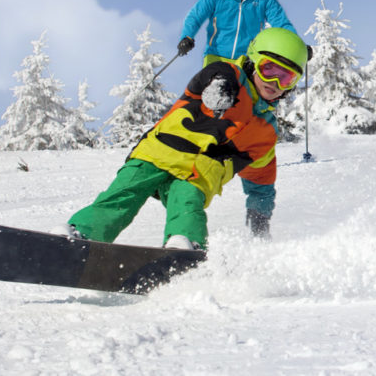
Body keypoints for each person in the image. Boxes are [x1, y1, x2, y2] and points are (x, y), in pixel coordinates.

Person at [58, 27, 308, 248]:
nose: (275, 82)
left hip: (196, 173)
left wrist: (260, 221)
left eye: (286, 78)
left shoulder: (265, 131)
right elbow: (213, 73)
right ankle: (83, 234)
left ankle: (185, 245)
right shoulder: (228, 76)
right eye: (269, 70)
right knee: (122, 194)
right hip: (156, 152)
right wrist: (221, 84)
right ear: (253, 62)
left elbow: (262, 179)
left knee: (187, 205)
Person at [176, 0, 299, 234]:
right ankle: (199, 154)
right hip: (217, 59)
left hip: (247, 63)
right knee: (213, 109)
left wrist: (295, 46)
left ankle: (253, 175)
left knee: (252, 115)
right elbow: (197, 14)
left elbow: (281, 23)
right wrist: (186, 36)